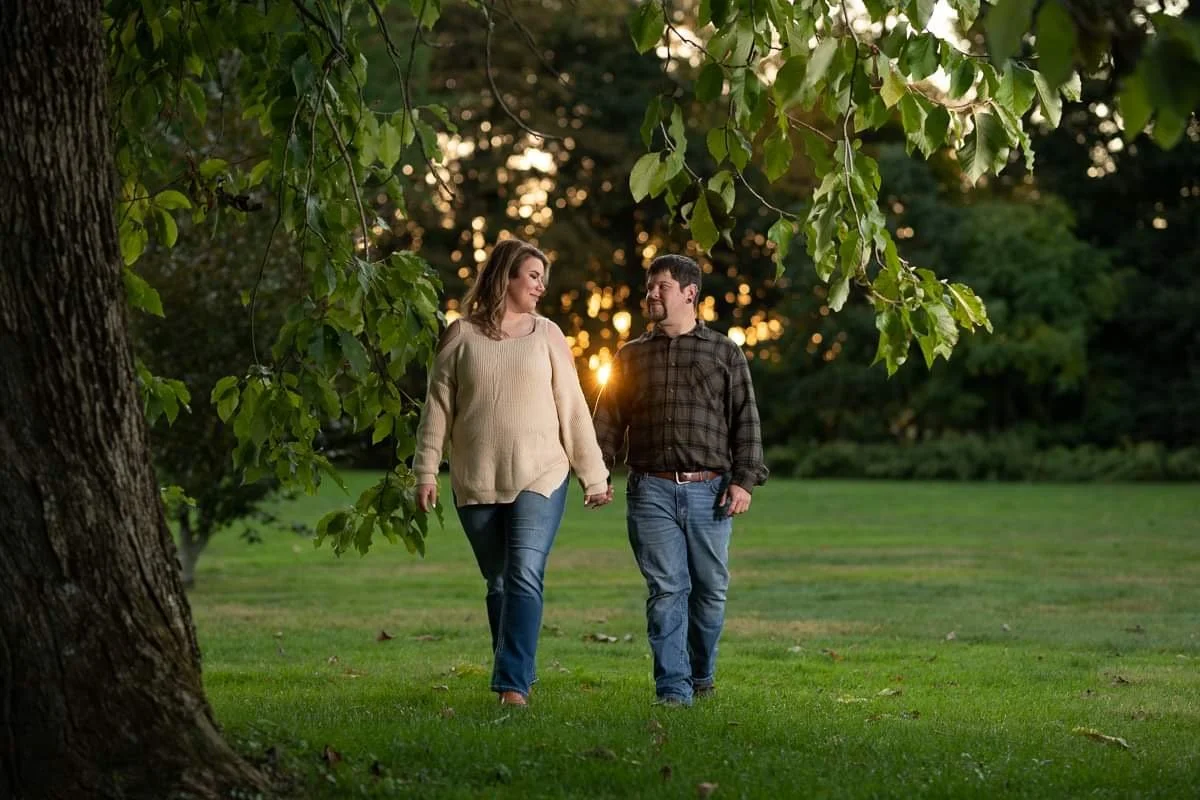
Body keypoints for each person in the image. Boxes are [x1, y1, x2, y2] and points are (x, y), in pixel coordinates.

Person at [413, 237, 612, 707]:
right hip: (476, 478)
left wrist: (595, 475)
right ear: (506, 277)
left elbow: (573, 408)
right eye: (533, 276)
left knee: (524, 573)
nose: (542, 286)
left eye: (543, 277)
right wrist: (425, 472)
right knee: (499, 580)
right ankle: (516, 667)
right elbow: (436, 411)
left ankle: (512, 685)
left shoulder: (548, 335)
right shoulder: (460, 335)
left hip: (540, 475)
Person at [594, 254, 768, 707]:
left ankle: (701, 673)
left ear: (690, 293)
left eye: (661, 286)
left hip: (712, 492)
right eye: (649, 286)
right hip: (650, 489)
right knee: (668, 589)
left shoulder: (723, 352)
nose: (651, 294)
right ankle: (673, 690)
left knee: (709, 591)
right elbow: (607, 420)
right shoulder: (630, 355)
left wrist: (744, 481)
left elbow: (745, 419)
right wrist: (598, 472)